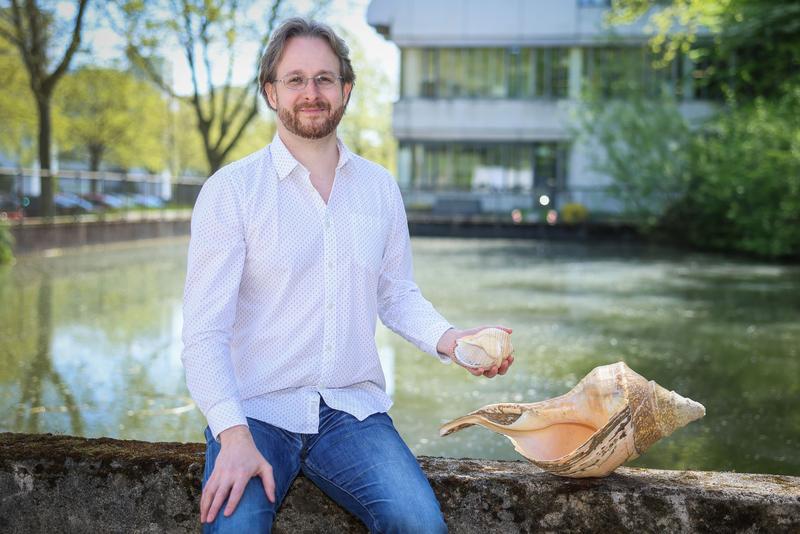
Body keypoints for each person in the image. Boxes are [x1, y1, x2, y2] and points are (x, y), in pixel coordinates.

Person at [181, 17, 514, 533]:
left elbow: (395, 292)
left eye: (324, 78)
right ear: (271, 92)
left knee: (420, 523)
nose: (310, 92)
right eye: (294, 79)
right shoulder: (231, 192)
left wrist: (453, 340)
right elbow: (203, 334)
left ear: (346, 89)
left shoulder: (379, 188)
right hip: (256, 412)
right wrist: (232, 434)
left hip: (351, 411)